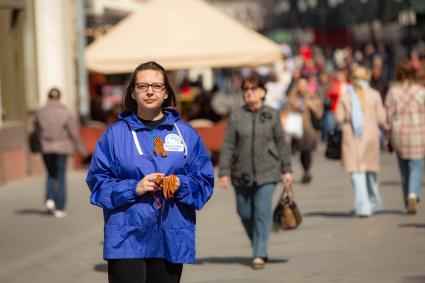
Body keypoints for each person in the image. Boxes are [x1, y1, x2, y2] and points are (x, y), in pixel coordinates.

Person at [86, 61, 214, 283]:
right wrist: (133, 188)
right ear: (133, 93)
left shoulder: (186, 134)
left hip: (170, 233)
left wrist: (180, 185)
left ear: (166, 93)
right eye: (142, 86)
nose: (149, 91)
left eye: (157, 86)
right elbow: (97, 182)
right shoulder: (114, 135)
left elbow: (204, 179)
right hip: (127, 235)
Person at [218, 74, 293, 270]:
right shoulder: (236, 115)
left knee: (261, 211)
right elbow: (228, 145)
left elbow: (281, 143)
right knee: (244, 212)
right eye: (246, 89)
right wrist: (224, 172)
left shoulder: (272, 114)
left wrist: (287, 169)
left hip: (268, 171)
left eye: (253, 89)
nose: (249, 92)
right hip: (240, 172)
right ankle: (258, 244)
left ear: (262, 92)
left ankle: (259, 252)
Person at [335, 66, 387, 217]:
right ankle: (374, 202)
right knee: (370, 173)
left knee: (357, 176)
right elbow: (381, 118)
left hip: (352, 139)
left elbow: (338, 118)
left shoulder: (345, 95)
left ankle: (363, 207)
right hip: (370, 138)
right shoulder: (374, 94)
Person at [34, 87, 87, 218]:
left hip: (46, 147)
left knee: (50, 174)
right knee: (61, 177)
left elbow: (36, 130)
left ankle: (50, 199)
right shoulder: (66, 113)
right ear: (59, 97)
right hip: (62, 148)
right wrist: (83, 152)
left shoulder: (40, 112)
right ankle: (60, 208)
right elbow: (73, 134)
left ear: (48, 97)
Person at [385, 60, 425, 214]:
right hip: (418, 133)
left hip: (399, 133)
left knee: (403, 169)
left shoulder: (393, 91)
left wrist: (388, 131)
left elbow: (388, 114)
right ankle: (413, 194)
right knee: (416, 166)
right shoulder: (421, 91)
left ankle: (406, 201)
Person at [286, 77, 323, 183]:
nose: (302, 88)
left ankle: (307, 171)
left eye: (304, 85)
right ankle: (305, 170)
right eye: (300, 85)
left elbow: (319, 112)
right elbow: (287, 109)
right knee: (301, 151)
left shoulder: (312, 96)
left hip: (309, 129)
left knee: (307, 151)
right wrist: (293, 106)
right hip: (296, 129)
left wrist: (311, 105)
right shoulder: (293, 96)